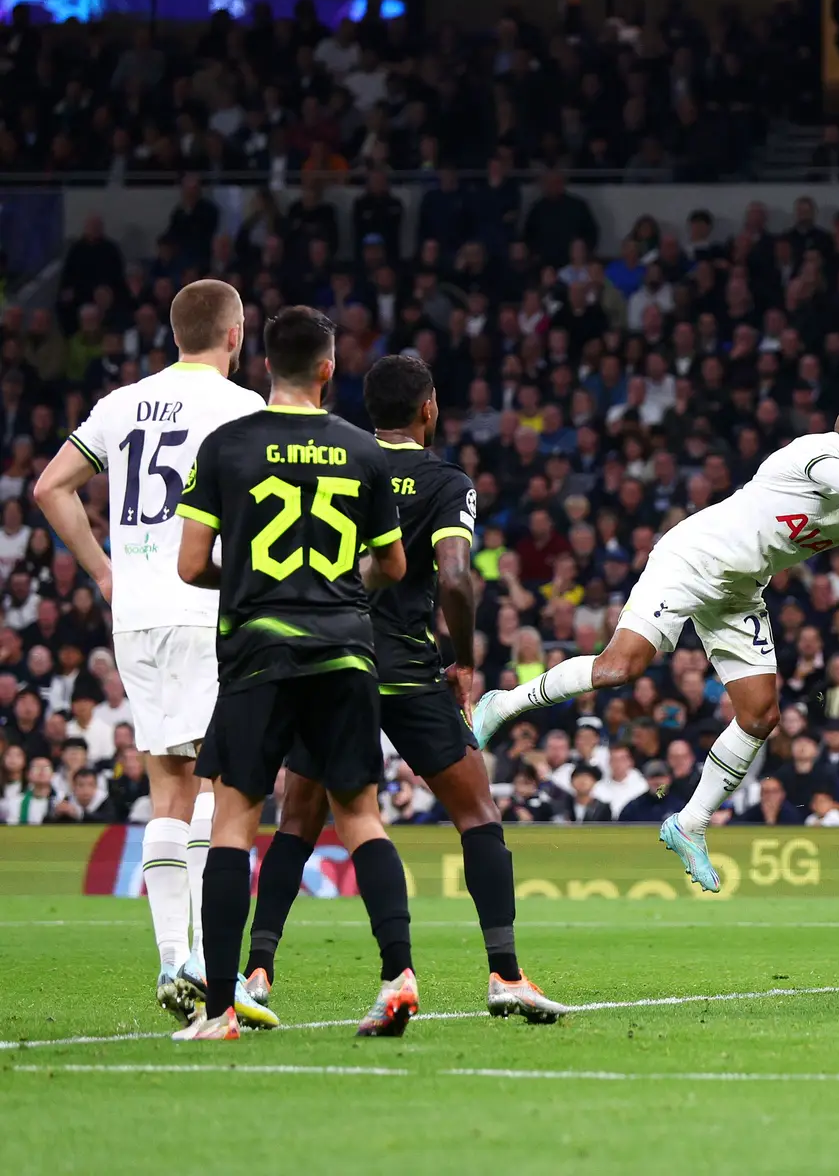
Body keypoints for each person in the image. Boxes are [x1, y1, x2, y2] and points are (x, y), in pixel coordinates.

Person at [469, 400, 839, 893]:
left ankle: (690, 823)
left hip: (740, 591)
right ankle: (503, 703)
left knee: (761, 715)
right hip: (690, 560)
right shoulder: (816, 452)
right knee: (619, 668)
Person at [241, 356, 568, 1022]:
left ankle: (258, 973)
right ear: (429, 409)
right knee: (477, 814)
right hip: (407, 666)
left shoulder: (333, 463)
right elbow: (454, 578)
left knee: (300, 822)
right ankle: (505, 974)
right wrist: (468, 660)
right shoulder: (444, 481)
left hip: (327, 660)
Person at [172, 305, 414, 1040]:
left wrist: (252, 583)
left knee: (235, 823)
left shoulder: (226, 447)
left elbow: (188, 565)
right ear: (329, 369)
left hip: (259, 650)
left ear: (261, 363)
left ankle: (220, 1011)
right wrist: (339, 589)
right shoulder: (363, 450)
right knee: (361, 816)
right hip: (345, 648)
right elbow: (394, 566)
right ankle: (397, 976)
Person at [32, 279, 263, 1024]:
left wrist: (103, 572)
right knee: (215, 787)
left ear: (174, 334)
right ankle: (201, 959)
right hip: (206, 606)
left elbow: (50, 488)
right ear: (234, 336)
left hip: (136, 614)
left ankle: (170, 960)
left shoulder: (121, 402)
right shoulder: (242, 409)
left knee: (168, 785)